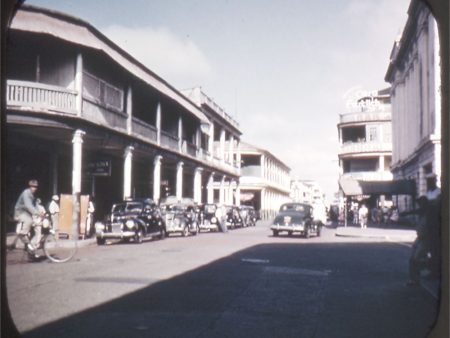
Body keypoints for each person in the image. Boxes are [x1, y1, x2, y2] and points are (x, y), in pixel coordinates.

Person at [407, 196, 431, 286]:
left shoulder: (429, 214)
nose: (419, 206)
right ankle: (414, 279)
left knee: (416, 259)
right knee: (412, 259)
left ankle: (416, 279)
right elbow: (414, 211)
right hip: (419, 238)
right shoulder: (422, 213)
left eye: (420, 204)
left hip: (425, 239)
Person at [14, 179, 42, 254]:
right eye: (32, 186)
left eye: (36, 187)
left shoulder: (33, 195)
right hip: (20, 212)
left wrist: (41, 213)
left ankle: (30, 249)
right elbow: (29, 206)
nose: (34, 188)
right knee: (29, 221)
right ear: (30, 187)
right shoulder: (26, 193)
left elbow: (35, 205)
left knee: (35, 228)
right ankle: (22, 234)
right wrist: (37, 213)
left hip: (27, 213)